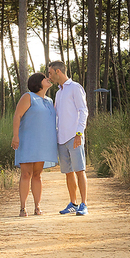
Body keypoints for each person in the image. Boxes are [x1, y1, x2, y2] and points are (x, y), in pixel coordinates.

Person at [11, 72, 58, 216]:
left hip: (43, 142)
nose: (48, 79)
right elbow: (17, 116)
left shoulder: (49, 101)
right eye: (45, 78)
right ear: (38, 83)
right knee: (26, 174)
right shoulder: (28, 97)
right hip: (27, 141)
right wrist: (15, 136)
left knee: (37, 174)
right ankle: (23, 207)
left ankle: (37, 206)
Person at [48, 61, 89, 215]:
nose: (49, 76)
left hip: (74, 136)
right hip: (61, 138)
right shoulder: (58, 93)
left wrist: (79, 133)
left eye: (50, 73)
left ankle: (84, 204)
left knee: (80, 170)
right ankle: (73, 203)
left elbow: (83, 111)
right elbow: (56, 116)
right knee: (68, 173)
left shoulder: (75, 88)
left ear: (58, 71)